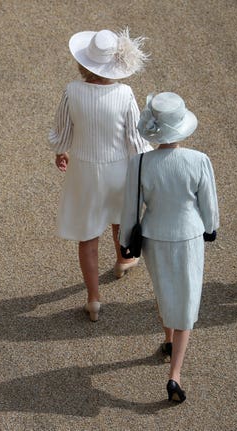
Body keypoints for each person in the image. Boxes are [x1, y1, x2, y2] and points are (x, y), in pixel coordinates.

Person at [120, 92, 219, 403]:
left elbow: (128, 209)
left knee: (165, 291)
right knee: (186, 299)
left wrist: (125, 242)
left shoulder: (139, 163)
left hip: (154, 236)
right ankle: (175, 374)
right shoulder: (198, 160)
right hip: (188, 235)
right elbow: (209, 205)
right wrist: (211, 228)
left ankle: (167, 340)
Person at [49, 29, 151, 322]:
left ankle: (94, 300)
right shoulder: (124, 94)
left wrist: (61, 151)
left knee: (87, 236)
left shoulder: (72, 91)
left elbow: (61, 132)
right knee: (120, 218)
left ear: (84, 63)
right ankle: (123, 259)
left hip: (83, 169)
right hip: (118, 168)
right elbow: (135, 138)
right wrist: (144, 163)